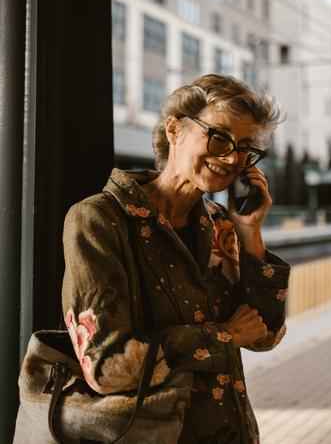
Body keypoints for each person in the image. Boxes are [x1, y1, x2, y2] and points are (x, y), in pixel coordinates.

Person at [62, 74, 290, 444]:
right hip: (150, 434)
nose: (232, 157)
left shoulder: (221, 225)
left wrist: (250, 233)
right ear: (174, 129)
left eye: (246, 148)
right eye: (219, 137)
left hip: (229, 431)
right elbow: (106, 366)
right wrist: (224, 334)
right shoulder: (100, 220)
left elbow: (265, 336)